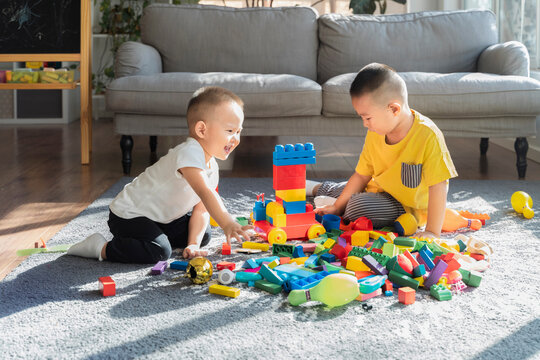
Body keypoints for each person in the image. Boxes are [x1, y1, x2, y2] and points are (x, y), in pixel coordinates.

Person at [67, 86, 252, 263]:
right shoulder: (188, 153)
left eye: (238, 132)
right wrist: (227, 222)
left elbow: (202, 210)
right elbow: (206, 192)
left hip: (163, 219)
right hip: (129, 215)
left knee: (204, 234)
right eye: (230, 131)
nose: (236, 139)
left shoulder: (212, 166)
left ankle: (158, 239)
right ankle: (101, 248)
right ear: (201, 130)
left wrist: (193, 244)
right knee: (160, 251)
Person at [310, 63, 457, 238]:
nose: (365, 124)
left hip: (405, 207)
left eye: (368, 118)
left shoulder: (428, 136)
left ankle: (337, 199)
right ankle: (314, 188)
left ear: (394, 109)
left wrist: (432, 231)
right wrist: (336, 208)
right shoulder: (376, 131)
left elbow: (438, 186)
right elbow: (362, 175)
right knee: (345, 192)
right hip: (377, 189)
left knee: (357, 206)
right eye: (362, 118)